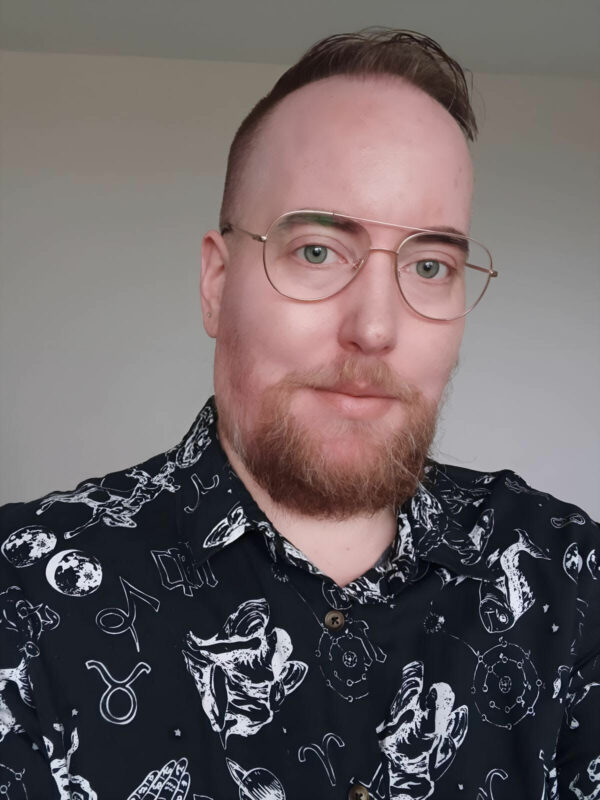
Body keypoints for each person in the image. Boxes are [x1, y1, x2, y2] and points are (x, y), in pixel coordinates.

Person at [0, 28, 598, 800]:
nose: (375, 327)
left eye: (429, 265)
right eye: (317, 250)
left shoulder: (568, 587)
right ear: (217, 284)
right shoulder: (22, 593)